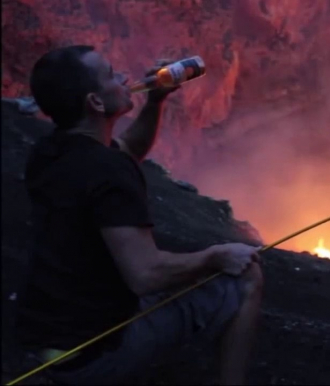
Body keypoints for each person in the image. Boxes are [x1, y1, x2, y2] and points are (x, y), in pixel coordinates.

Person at [16, 45, 263, 385]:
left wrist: (155, 101)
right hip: (91, 358)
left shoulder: (51, 151)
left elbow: (130, 150)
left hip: (48, 342)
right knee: (246, 277)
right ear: (96, 103)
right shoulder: (108, 171)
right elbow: (146, 275)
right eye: (111, 75)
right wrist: (216, 256)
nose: (124, 78)